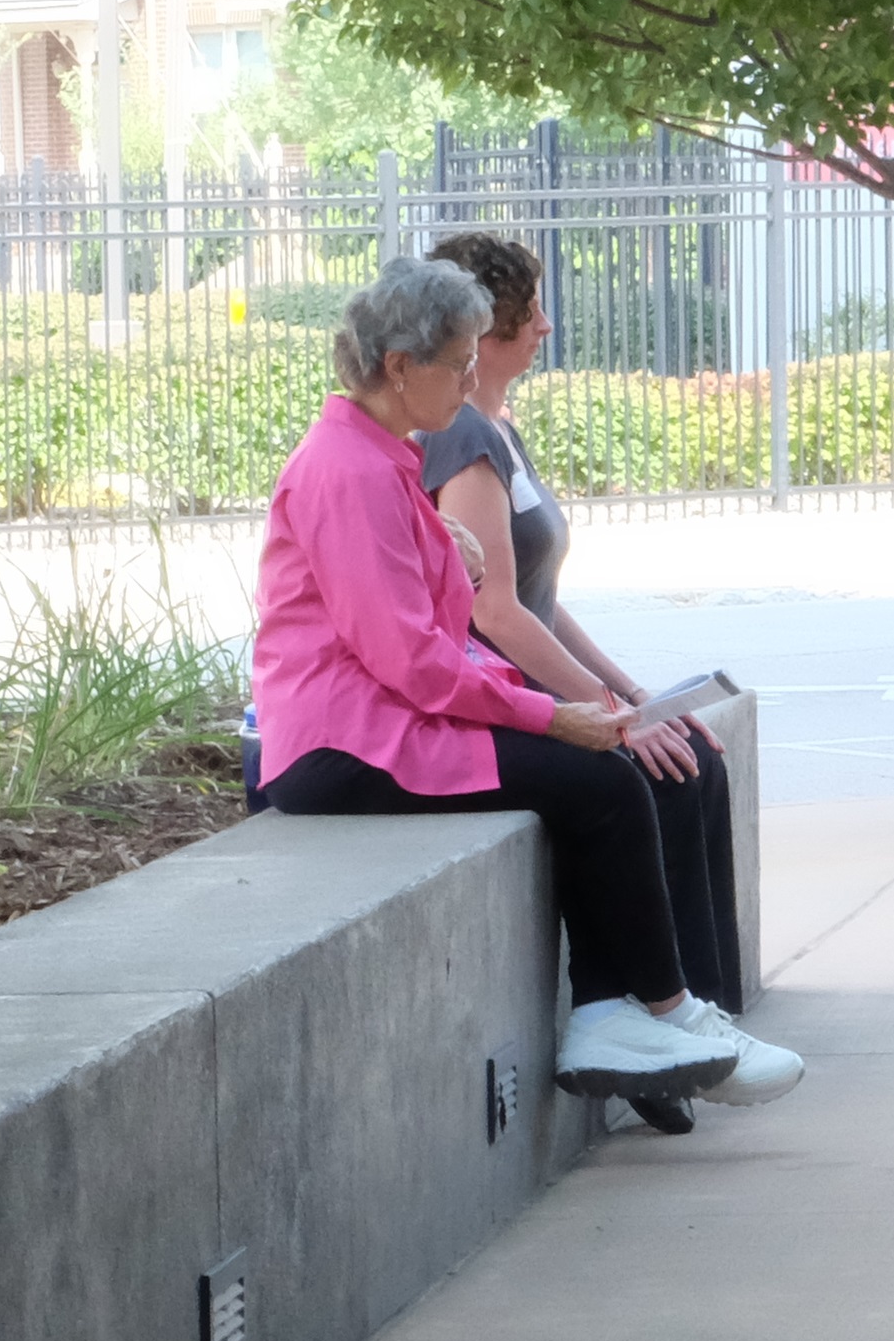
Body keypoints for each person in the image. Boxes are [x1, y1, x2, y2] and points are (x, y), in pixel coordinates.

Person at [252, 257, 801, 1105]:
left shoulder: (380, 456)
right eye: (459, 360)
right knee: (599, 780)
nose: (472, 377)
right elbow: (414, 663)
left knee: (608, 770)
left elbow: (435, 635)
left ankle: (622, 1015)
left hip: (380, 721)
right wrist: (550, 715)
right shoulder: (350, 470)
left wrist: (573, 698)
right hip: (345, 743)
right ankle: (655, 1009)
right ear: (399, 366)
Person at [417, 230, 782, 1126]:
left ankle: (692, 1023)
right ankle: (655, 1029)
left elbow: (548, 600)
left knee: (691, 755)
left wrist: (630, 693)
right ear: (487, 329)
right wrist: (599, 714)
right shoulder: (462, 441)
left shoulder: (498, 429)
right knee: (643, 776)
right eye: (529, 310)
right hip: (504, 694)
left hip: (546, 682)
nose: (545, 324)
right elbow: (493, 614)